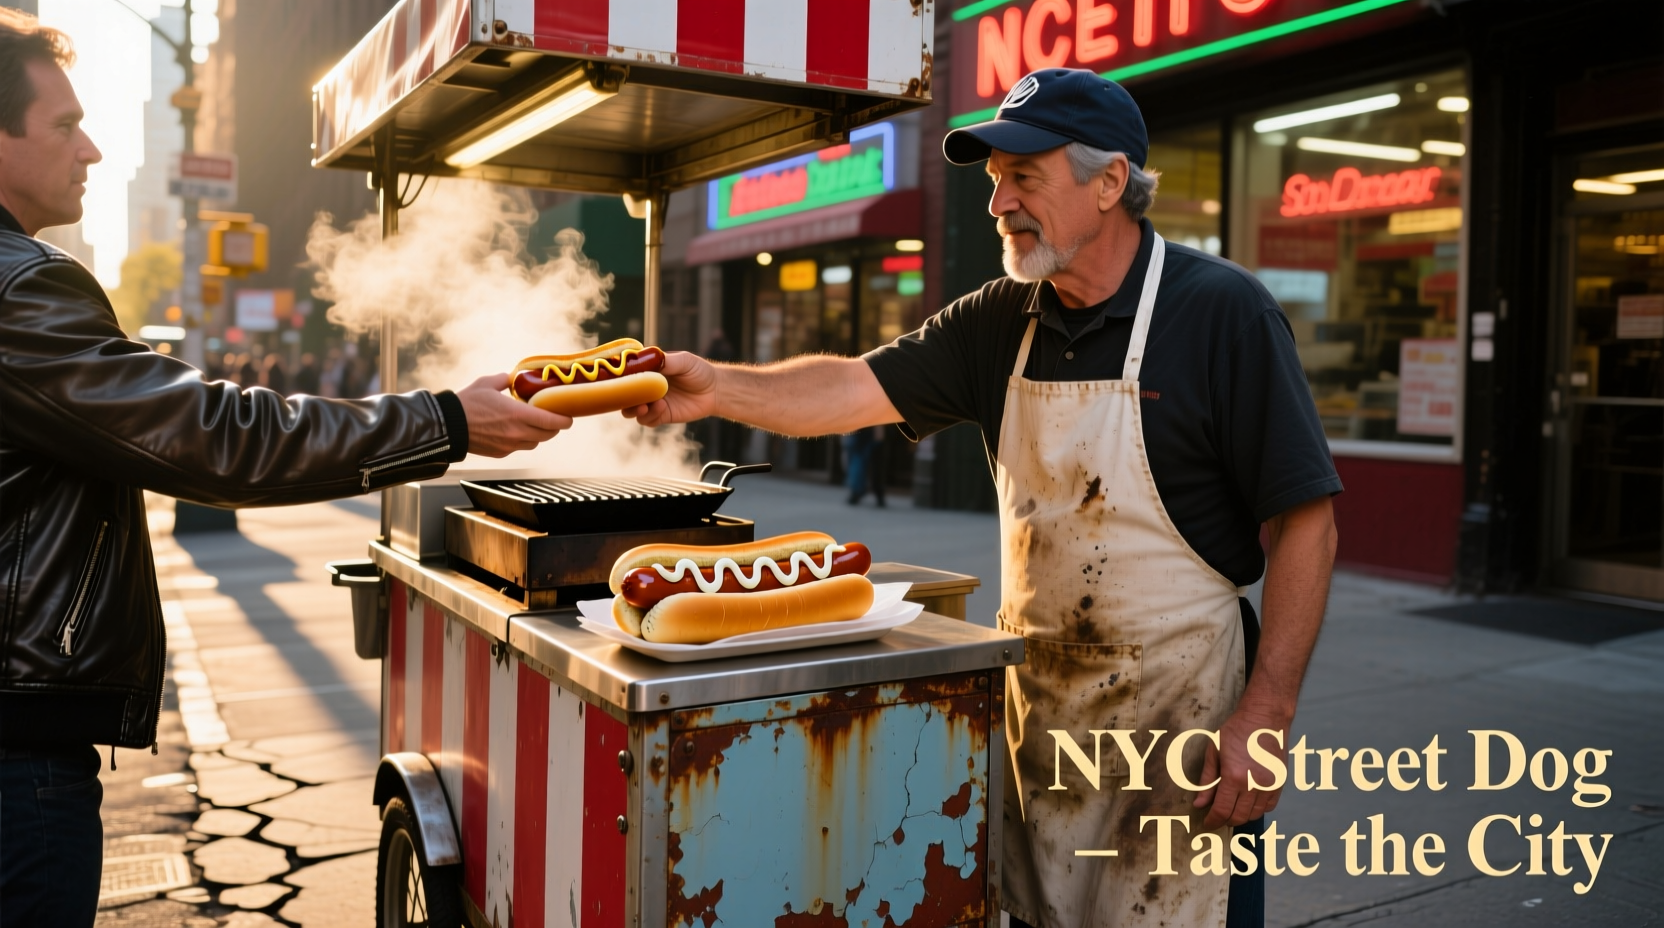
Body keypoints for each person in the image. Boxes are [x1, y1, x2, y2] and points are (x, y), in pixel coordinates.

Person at [630, 68, 1340, 928]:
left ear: (1110, 182)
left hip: (1180, 739)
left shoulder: (1223, 313)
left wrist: (1266, 713)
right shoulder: (998, 320)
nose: (999, 203)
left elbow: (1305, 522)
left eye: (1024, 177)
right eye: (994, 179)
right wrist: (718, 389)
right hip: (1041, 729)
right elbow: (851, 388)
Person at [0, 14, 572, 925]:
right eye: (64, 124)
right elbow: (212, 436)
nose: (91, 149)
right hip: (17, 761)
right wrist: (449, 419)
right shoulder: (23, 286)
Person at [842, 425, 885, 506]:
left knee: (863, 463)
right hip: (861, 432)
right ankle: (859, 491)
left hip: (864, 432)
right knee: (861, 463)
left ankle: (859, 491)